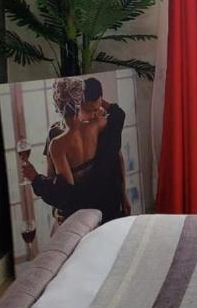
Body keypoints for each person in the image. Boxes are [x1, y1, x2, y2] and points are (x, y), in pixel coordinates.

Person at [19, 76, 129, 223]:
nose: (95, 114)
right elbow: (55, 179)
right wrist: (56, 209)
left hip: (104, 207)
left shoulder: (99, 122)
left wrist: (123, 194)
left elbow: (117, 158)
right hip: (78, 213)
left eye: (98, 109)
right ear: (79, 104)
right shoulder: (56, 135)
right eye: (90, 111)